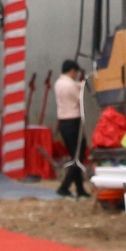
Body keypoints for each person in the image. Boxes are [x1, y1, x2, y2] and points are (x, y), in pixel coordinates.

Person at [52, 60, 89, 198]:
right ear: (73, 71)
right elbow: (81, 99)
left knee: (75, 156)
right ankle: (64, 186)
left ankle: (80, 189)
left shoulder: (58, 83)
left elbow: (74, 88)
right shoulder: (71, 85)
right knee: (78, 157)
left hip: (63, 123)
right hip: (74, 122)